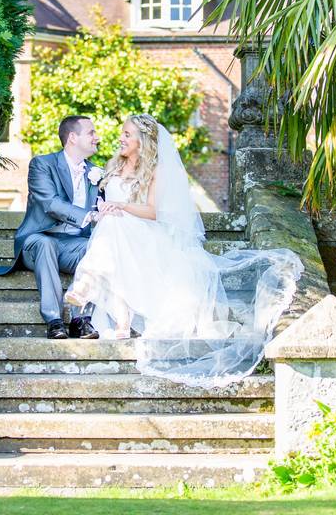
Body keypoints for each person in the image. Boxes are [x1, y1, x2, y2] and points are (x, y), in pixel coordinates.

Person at [63, 114, 304, 387]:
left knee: (115, 226)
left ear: (143, 141)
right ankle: (117, 317)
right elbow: (105, 205)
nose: (121, 138)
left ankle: (91, 288)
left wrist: (119, 207)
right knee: (112, 227)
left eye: (127, 134)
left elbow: (153, 212)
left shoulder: (155, 170)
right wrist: (107, 209)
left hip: (147, 235)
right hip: (120, 235)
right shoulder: (111, 166)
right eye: (123, 133)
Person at [0, 115, 103, 340]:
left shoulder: (96, 173)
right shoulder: (42, 165)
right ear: (72, 137)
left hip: (73, 245)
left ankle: (81, 320)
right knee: (45, 243)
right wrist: (89, 215)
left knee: (98, 247)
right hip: (37, 241)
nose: (97, 137)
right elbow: (50, 203)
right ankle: (54, 320)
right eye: (91, 132)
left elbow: (103, 206)